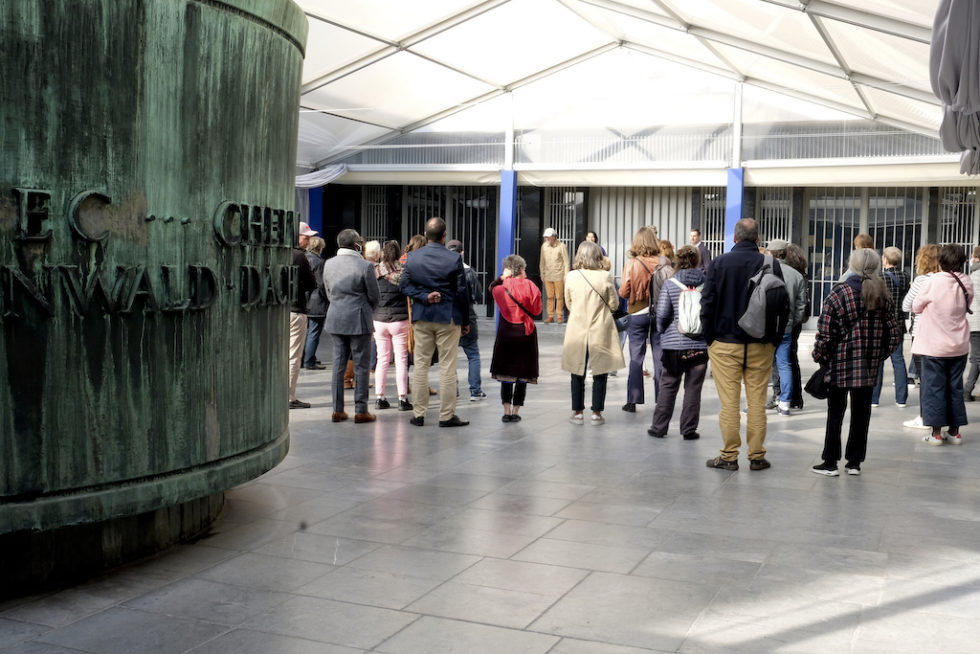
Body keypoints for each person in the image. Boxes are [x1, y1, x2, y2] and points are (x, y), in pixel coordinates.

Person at [700, 218, 787, 471]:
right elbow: (783, 304)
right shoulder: (771, 264)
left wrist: (709, 339)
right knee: (757, 403)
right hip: (761, 345)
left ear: (735, 238)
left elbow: (707, 304)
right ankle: (757, 456)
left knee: (729, 404)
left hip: (725, 344)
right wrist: (774, 339)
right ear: (758, 240)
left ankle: (728, 457)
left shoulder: (719, 263)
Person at [811, 249, 900, 476]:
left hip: (839, 364)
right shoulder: (883, 294)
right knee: (861, 414)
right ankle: (854, 463)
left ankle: (830, 462)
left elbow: (825, 332)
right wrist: (879, 355)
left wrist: (821, 356)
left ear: (853, 265)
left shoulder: (839, 293)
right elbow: (894, 334)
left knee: (835, 413)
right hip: (869, 367)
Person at [400, 217, 470, 428]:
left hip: (422, 316)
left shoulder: (412, 258)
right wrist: (465, 320)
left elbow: (403, 286)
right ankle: (446, 415)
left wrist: (424, 296)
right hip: (448, 317)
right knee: (448, 367)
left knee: (421, 365)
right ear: (444, 235)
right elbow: (462, 292)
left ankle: (418, 414)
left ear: (426, 233)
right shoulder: (453, 259)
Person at [914, 244, 972, 446]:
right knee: (954, 387)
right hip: (959, 344)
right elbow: (968, 303)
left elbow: (916, 306)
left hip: (934, 345)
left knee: (934, 387)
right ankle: (955, 432)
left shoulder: (934, 281)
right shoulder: (966, 281)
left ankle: (936, 433)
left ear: (942, 261)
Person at [648, 245, 708, 440]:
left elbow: (663, 314)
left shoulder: (670, 283)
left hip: (674, 346)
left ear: (677, 260)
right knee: (693, 389)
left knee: (668, 385)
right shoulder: (706, 283)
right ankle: (689, 430)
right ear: (697, 260)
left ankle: (659, 427)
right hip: (698, 347)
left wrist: (663, 332)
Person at [562, 241, 625, 425]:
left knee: (577, 370)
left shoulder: (572, 276)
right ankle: (597, 413)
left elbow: (568, 303)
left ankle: (578, 412)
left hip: (577, 326)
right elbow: (614, 304)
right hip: (601, 326)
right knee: (600, 370)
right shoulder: (605, 276)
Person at [324, 229, 380, 423]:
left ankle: (337, 410)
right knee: (361, 365)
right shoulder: (365, 266)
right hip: (358, 320)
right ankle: (361, 410)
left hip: (336, 317)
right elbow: (375, 296)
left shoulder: (328, 264)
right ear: (356, 244)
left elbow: (328, 291)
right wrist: (363, 308)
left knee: (338, 366)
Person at [619, 227, 669, 412]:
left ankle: (632, 401)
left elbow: (624, 292)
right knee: (660, 357)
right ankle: (662, 401)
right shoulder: (665, 262)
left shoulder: (631, 263)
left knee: (636, 357)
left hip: (637, 313)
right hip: (660, 313)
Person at [489, 254, 541, 422]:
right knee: (522, 374)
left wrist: (501, 278)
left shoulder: (500, 288)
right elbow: (537, 311)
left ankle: (506, 410)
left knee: (506, 373)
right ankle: (516, 411)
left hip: (506, 333)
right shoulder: (531, 286)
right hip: (526, 333)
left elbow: (491, 288)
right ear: (521, 269)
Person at [765, 239, 807, 416]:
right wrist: (793, 320)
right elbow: (801, 305)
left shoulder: (764, 272)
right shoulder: (796, 275)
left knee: (761, 365)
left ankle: (758, 402)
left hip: (765, 328)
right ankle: (785, 403)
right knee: (785, 365)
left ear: (771, 253)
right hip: (786, 328)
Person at [901, 244, 940, 430]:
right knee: (938, 378)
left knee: (924, 378)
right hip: (943, 334)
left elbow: (906, 305)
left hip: (922, 334)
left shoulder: (921, 281)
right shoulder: (947, 279)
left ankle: (925, 417)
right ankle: (939, 417)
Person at [372, 240, 412, 412]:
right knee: (401, 360)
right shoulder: (403, 274)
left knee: (382, 360)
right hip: (400, 321)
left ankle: (379, 398)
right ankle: (402, 399)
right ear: (398, 255)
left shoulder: (375, 272)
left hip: (379, 321)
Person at [447, 239, 486, 402]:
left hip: (447, 318)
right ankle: (475, 391)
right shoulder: (468, 271)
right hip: (467, 316)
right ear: (462, 253)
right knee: (473, 355)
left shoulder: (441, 270)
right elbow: (478, 295)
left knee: (450, 357)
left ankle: (452, 390)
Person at [872, 246, 911, 408]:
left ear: (885, 260)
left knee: (878, 361)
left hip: (881, 324)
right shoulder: (905, 277)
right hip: (898, 324)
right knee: (898, 360)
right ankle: (901, 399)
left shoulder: (879, 277)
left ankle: (874, 398)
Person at [289, 222, 319, 409]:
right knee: (293, 355)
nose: (308, 240)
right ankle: (289, 397)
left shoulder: (278, 253)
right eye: (305, 236)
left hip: (278, 310)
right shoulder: (299, 256)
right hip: (296, 310)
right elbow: (312, 283)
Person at [785, 244, 810, 410]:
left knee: (787, 359)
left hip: (790, 320)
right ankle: (797, 398)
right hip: (798, 321)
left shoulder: (791, 275)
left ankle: (792, 396)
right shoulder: (803, 275)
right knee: (792, 357)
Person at [303, 236, 328, 371]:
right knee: (314, 332)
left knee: (306, 332)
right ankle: (309, 360)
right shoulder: (319, 262)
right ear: (320, 247)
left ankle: (305, 358)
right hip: (317, 301)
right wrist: (328, 298)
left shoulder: (304, 258)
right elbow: (321, 284)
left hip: (305, 300)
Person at [540, 227, 570, 323]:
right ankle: (550, 316)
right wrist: (542, 273)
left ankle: (559, 316)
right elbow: (542, 261)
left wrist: (566, 275)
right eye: (545, 237)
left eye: (548, 237)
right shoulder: (544, 246)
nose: (547, 239)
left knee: (559, 297)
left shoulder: (561, 246)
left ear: (554, 237)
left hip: (559, 275)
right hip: (548, 275)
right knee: (549, 297)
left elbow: (566, 262)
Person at [963, 245, 980, 402]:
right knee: (976, 358)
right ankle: (967, 390)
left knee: (976, 358)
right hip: (976, 323)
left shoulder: (973, 276)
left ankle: (967, 391)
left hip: (975, 323)